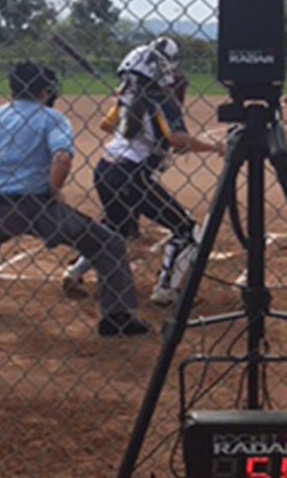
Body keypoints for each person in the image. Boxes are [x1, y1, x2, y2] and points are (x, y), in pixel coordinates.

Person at [0, 61, 149, 337]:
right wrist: (54, 190)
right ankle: (114, 316)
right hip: (35, 205)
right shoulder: (52, 118)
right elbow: (62, 158)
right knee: (108, 244)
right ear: (45, 90)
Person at [64, 38, 220, 306]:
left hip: (105, 169)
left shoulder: (127, 97)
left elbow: (105, 126)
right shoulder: (161, 100)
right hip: (131, 174)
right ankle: (166, 289)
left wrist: (132, 121)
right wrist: (214, 147)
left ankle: (76, 270)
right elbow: (179, 140)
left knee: (116, 227)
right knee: (185, 230)